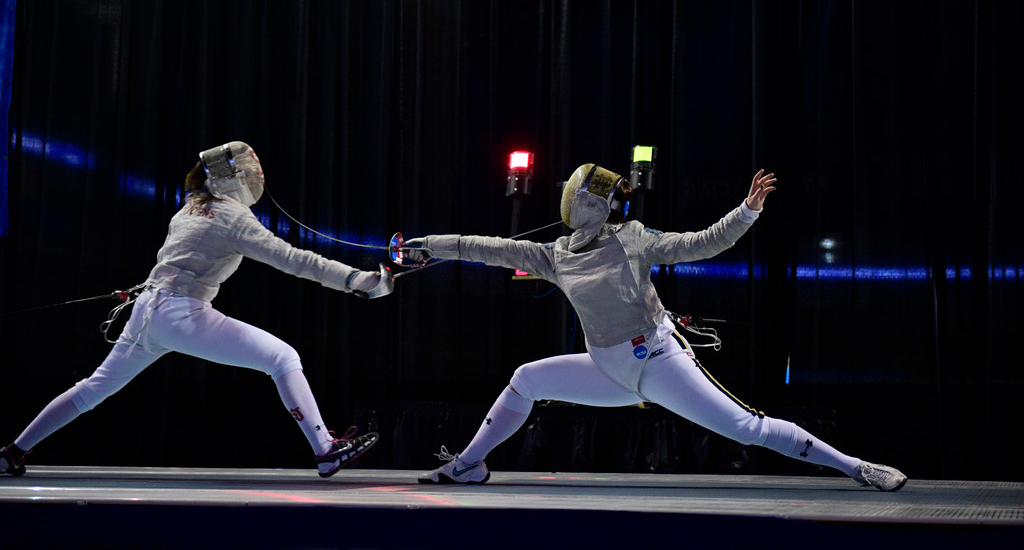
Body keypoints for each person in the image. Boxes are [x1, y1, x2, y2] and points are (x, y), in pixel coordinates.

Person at [410, 164, 907, 492]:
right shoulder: (554, 256)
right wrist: (427, 245)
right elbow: (486, 247)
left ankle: (854, 467)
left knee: (746, 428)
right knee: (526, 378)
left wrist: (747, 211)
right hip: (606, 368)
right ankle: (468, 465)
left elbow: (702, 243)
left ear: (585, 203)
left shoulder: (633, 239)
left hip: (657, 360)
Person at [0, 141, 389, 478]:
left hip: (147, 312)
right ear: (237, 178)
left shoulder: (188, 208)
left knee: (93, 389)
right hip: (180, 314)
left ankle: (13, 452)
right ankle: (325, 451)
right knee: (282, 357)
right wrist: (356, 280)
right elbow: (291, 258)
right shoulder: (232, 217)